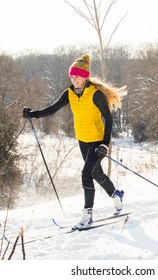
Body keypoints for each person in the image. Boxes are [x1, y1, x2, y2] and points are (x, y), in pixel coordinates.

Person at [23, 54, 127, 229]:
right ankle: (116, 194)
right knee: (96, 174)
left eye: (76, 76)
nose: (73, 79)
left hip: (97, 141)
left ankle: (87, 215)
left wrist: (104, 144)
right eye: (71, 76)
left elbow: (108, 119)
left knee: (86, 173)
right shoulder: (70, 93)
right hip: (83, 141)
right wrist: (33, 114)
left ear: (84, 76)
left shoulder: (95, 94)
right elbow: (52, 108)